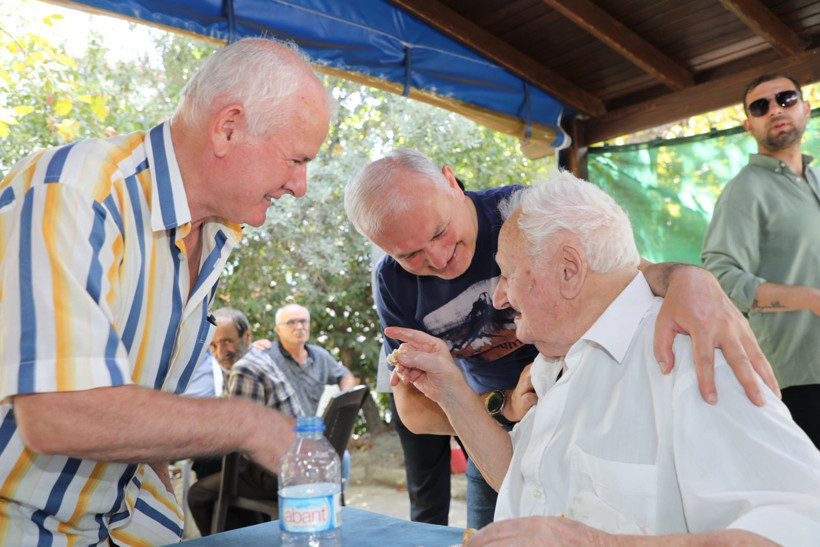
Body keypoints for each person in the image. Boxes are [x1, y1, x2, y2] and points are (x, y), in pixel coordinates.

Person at [0, 37, 332, 544]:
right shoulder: (76, 193)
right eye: (295, 160)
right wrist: (250, 424)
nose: (300, 185)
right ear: (227, 127)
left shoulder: (213, 233)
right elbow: (58, 413)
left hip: (122, 524)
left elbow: (146, 406)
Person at [343, 148, 778, 528]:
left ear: (451, 182)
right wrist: (502, 405)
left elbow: (621, 267)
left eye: (439, 232)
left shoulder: (520, 216)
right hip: (494, 427)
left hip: (579, 406)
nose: (438, 259)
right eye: (410, 255)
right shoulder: (393, 283)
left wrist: (689, 278)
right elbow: (413, 408)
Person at [702, 73, 820, 448]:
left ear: (806, 108)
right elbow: (720, 279)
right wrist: (810, 299)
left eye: (786, 99)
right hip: (799, 378)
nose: (775, 110)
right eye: (760, 106)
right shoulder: (744, 190)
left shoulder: (816, 178)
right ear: (748, 125)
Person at [188, 307, 306, 536]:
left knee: (199, 494)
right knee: (209, 465)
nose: (220, 352)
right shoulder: (257, 357)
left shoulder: (244, 369)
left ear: (247, 336)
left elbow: (230, 438)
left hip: (279, 472)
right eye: (213, 345)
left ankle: (240, 538)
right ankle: (252, 533)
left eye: (227, 341)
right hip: (293, 460)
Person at [264, 303, 356, 413]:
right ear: (278, 329)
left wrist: (343, 403)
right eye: (291, 322)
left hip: (309, 423)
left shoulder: (320, 357)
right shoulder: (265, 357)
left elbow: (345, 375)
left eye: (303, 321)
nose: (299, 327)